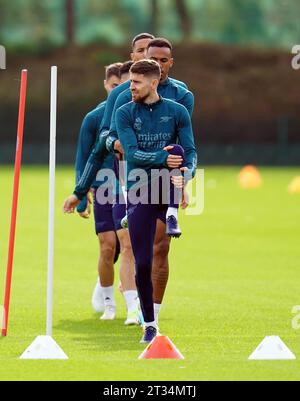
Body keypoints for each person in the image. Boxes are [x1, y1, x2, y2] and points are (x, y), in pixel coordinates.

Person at [115, 60, 197, 342]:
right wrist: (164, 158)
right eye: (130, 82)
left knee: (177, 152)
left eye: (136, 82)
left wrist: (189, 171)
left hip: (169, 184)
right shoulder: (124, 112)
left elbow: (190, 151)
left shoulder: (178, 111)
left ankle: (172, 212)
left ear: (154, 82)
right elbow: (133, 154)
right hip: (139, 191)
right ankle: (149, 324)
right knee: (143, 263)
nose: (131, 87)